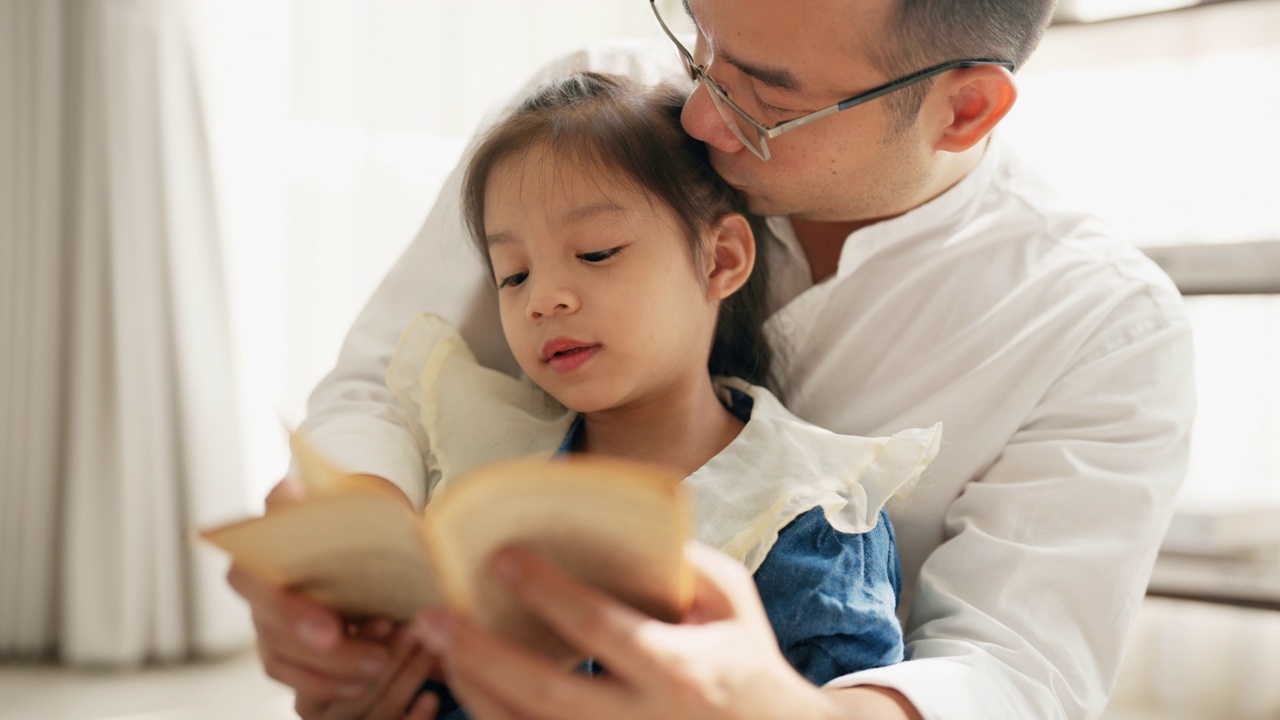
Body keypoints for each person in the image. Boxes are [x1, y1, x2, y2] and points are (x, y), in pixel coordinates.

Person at [227, 1, 1197, 718]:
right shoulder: (588, 118)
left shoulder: (1102, 327)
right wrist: (339, 563)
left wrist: (790, 712)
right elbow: (384, 386)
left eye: (765, 94)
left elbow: (1020, 671)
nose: (694, 111)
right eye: (698, 38)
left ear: (964, 108)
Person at [383, 71, 940, 718]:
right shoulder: (493, 465)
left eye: (594, 253)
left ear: (720, 259)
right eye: (514, 274)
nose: (543, 300)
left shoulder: (806, 513)